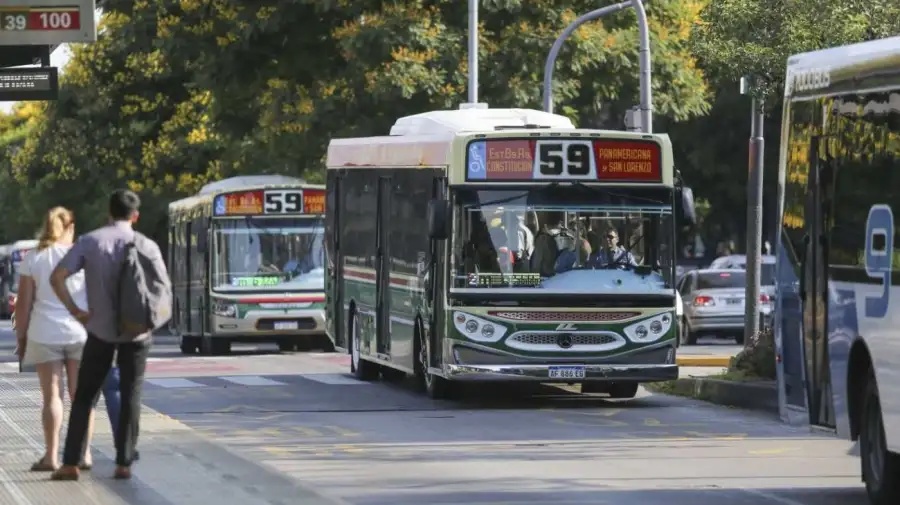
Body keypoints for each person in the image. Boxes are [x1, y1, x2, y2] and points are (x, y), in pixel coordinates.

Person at [49, 189, 165, 481]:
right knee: (131, 394)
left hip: (99, 331)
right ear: (135, 216)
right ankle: (124, 462)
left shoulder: (90, 242)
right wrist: (149, 322)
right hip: (137, 334)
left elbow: (57, 277)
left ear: (109, 213)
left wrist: (76, 311)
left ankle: (70, 463)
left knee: (85, 396)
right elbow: (163, 289)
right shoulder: (147, 245)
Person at [14, 207, 94, 472]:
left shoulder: (34, 257)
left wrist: (21, 338)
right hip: (80, 331)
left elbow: (23, 304)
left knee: (52, 396)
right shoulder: (81, 255)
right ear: (69, 227)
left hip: (44, 332)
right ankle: (84, 453)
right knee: (81, 396)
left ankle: (51, 456)